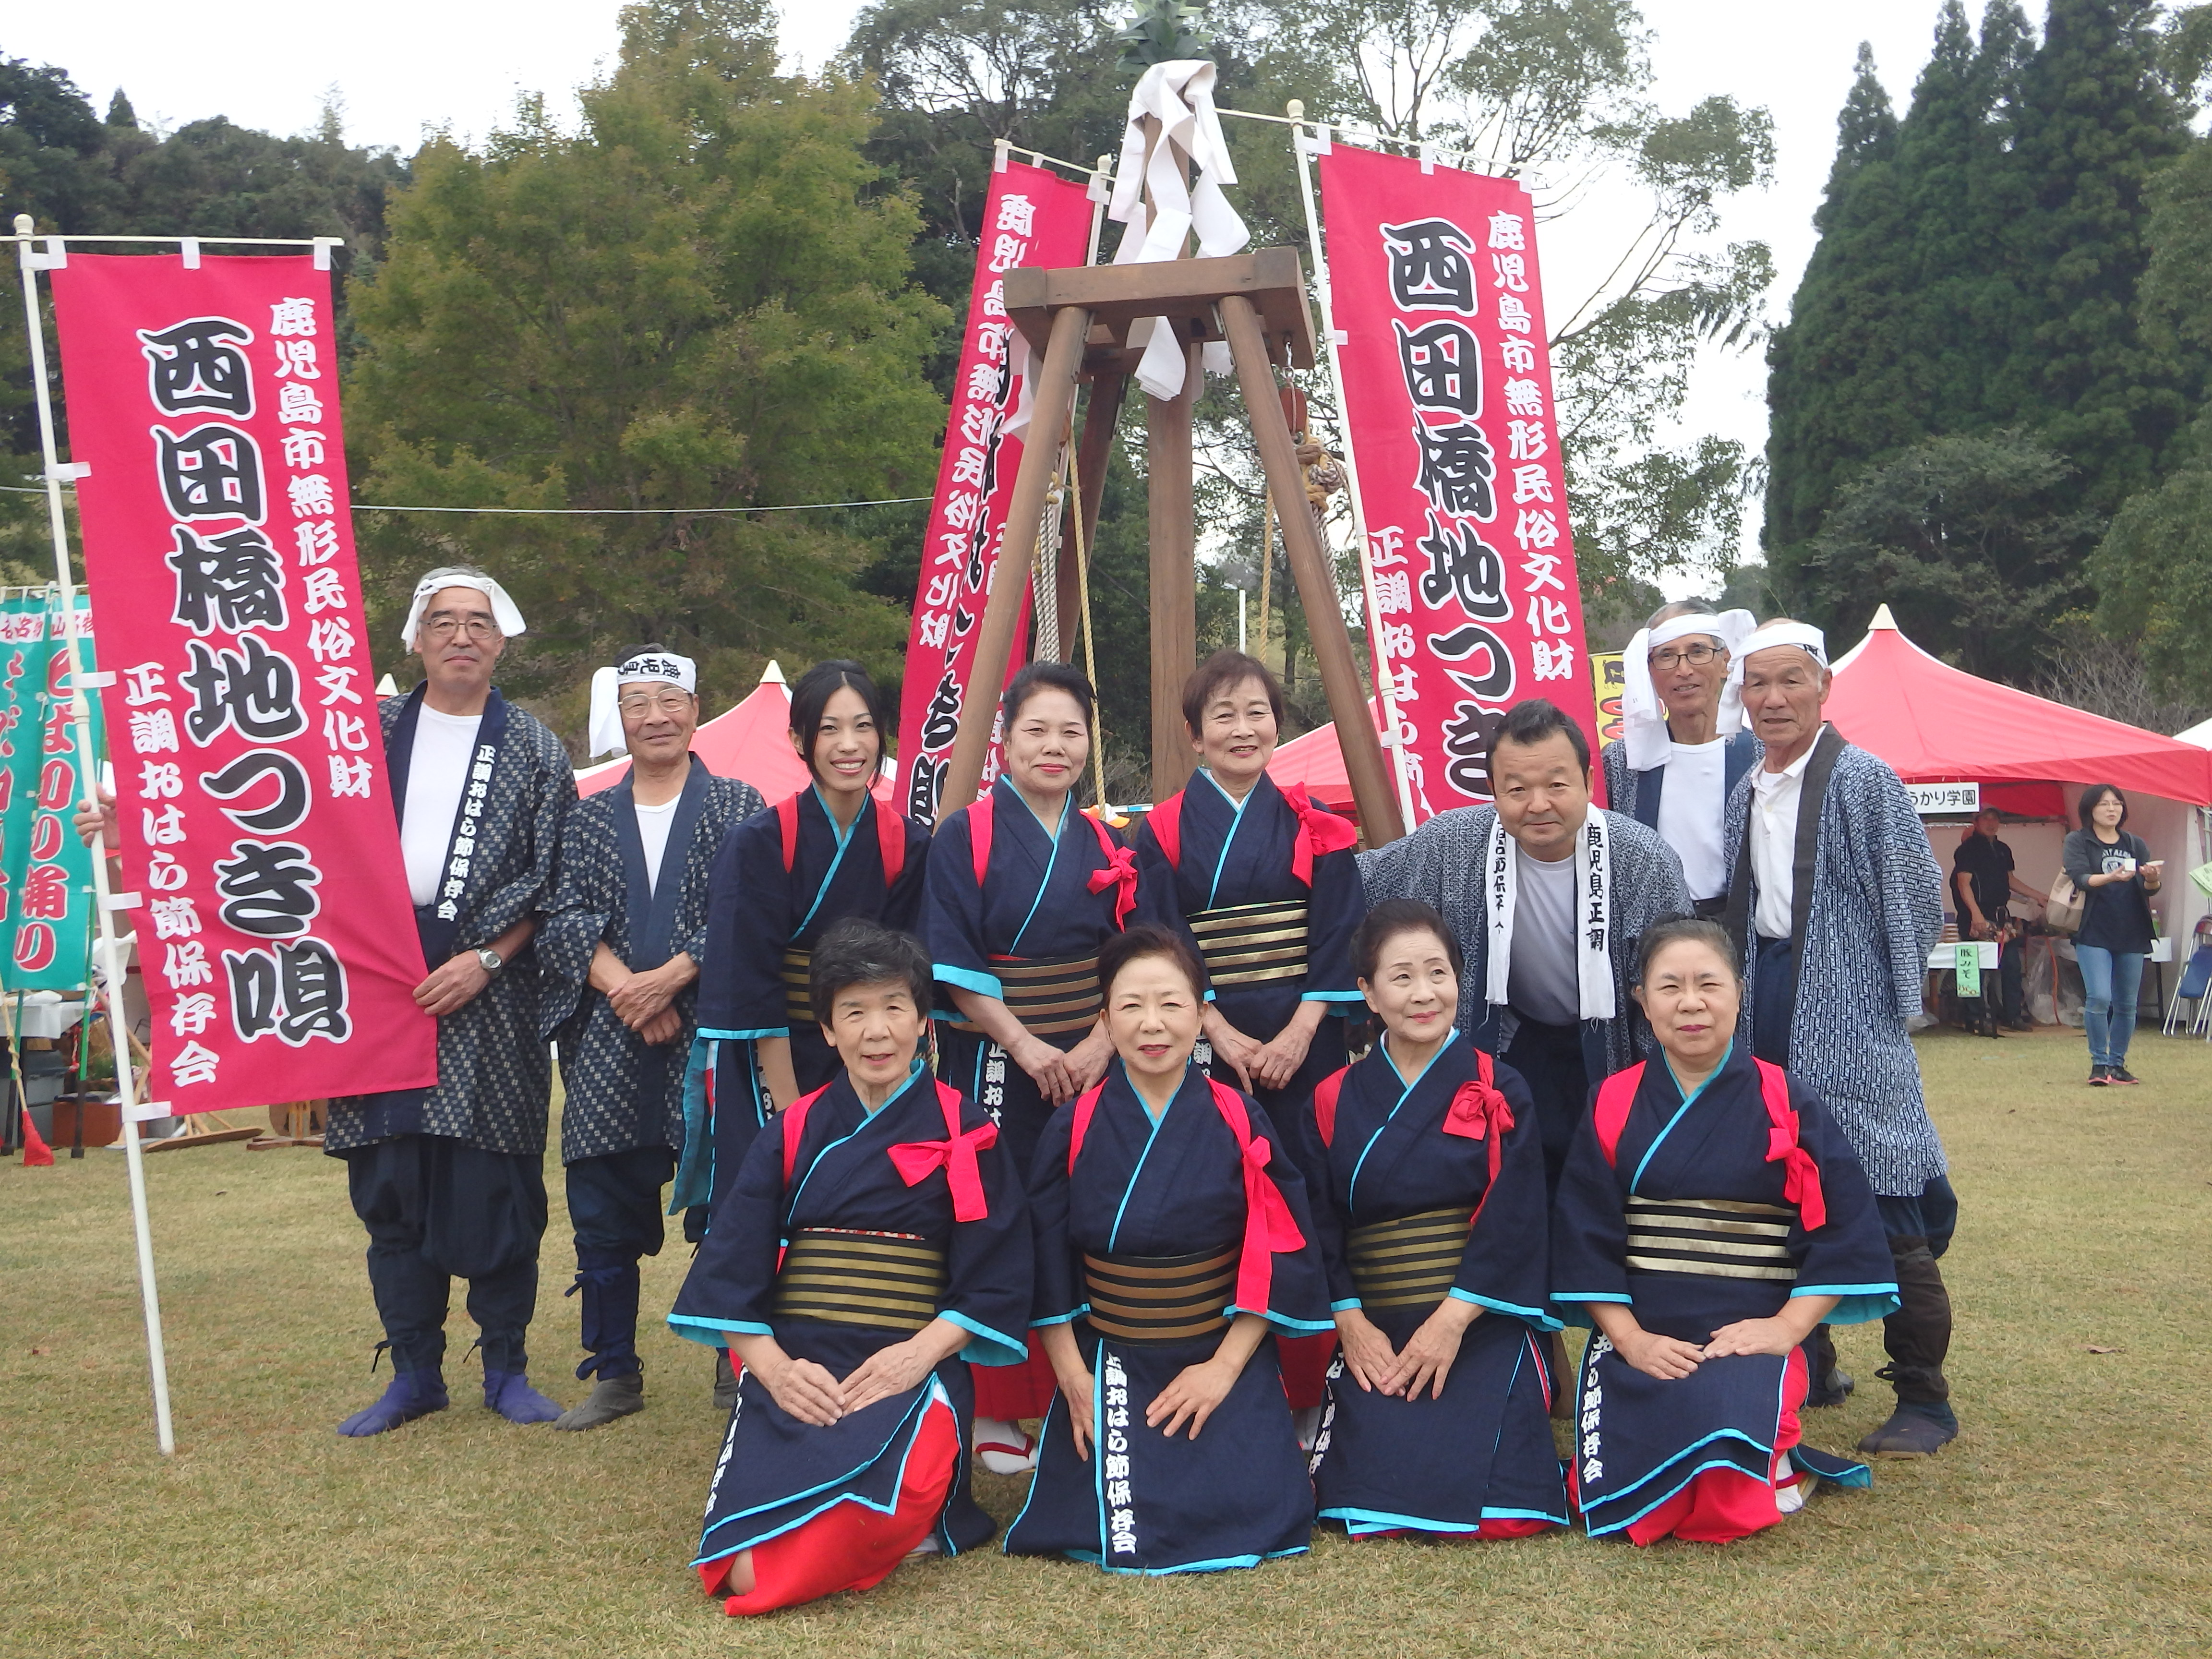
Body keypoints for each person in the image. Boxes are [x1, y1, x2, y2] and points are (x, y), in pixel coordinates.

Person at [666, 920, 1031, 1616]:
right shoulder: (795, 1130)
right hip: (802, 1369)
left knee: (896, 1503)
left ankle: (885, 1526)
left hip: (911, 1369)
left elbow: (994, 1277)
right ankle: (795, 1551)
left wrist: (916, 1357)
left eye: (894, 1007)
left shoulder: (967, 1129)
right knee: (735, 1562)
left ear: (924, 1021)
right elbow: (729, 1275)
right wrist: (776, 1371)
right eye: (854, 1012)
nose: (877, 1031)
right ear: (828, 1030)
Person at [1550, 917, 1899, 1544]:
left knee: (1723, 1491)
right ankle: (1766, 1462)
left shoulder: (1786, 1098)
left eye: (1709, 984)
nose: (1691, 1003)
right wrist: (1629, 1340)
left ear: (1739, 991)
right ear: (1642, 1001)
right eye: (1670, 987)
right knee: (1628, 1493)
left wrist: (1785, 1329)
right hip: (1644, 1333)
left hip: (1748, 1336)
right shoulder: (1610, 1101)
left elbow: (1845, 1233)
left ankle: (1767, 1456)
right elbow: (1584, 1237)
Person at [1004, 924, 1333, 1575]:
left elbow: (1277, 1248)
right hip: (1112, 1357)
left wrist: (1225, 1369)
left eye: (1172, 1004)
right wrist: (1075, 1382)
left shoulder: (1240, 1116)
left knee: (1260, 1509)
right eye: (1131, 1006)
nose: (1152, 1025)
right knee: (1096, 1518)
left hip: (1220, 1354)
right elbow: (1044, 1262)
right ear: (1104, 1020)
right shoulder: (1074, 1125)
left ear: (1201, 1013)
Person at [330, 568, 576, 1432]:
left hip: (489, 999)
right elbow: (281, 825)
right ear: (416, 639)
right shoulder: (363, 733)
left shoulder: (538, 750)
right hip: (381, 993)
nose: (461, 636)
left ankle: (505, 1366)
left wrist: (486, 958)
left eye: (478, 623)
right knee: (389, 1182)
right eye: (444, 622)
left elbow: (555, 883)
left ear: (502, 641)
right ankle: (413, 1372)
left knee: (496, 1185)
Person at [1719, 619, 1953, 1456]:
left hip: (1846, 1003)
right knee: (1779, 1195)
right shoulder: (1745, 787)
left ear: (1823, 687)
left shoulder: (1864, 778)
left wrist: (1886, 996)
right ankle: (1810, 1365)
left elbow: (1913, 894)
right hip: (1763, 1001)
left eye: (1790, 681)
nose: (1773, 698)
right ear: (1739, 697)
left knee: (1883, 1201)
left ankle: (1923, 1397)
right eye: (1757, 684)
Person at [679, 659, 929, 1406]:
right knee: (762, 1190)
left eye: (863, 727)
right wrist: (787, 1097)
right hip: (774, 1045)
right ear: (800, 740)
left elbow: (909, 962)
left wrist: (887, 1054)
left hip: (871, 1045)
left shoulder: (903, 841)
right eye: (830, 729)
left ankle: (851, 1334)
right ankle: (744, 1350)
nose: (849, 745)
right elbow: (745, 974)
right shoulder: (763, 840)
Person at [1133, 649, 1363, 1424]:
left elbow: (1337, 940)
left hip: (1306, 1041)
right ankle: (1220, 1368)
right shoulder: (1158, 830)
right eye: (1222, 715)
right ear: (1193, 735)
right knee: (1217, 1195)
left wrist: (1301, 1030)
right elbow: (1159, 946)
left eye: (1256, 712)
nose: (1242, 728)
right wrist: (1219, 1033)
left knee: (1307, 1195)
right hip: (1202, 1041)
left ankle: (1309, 1377)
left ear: (1275, 724)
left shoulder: (1318, 827)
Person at [536, 648, 764, 1429]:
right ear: (620, 718)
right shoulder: (586, 813)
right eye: (638, 703)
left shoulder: (739, 804)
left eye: (670, 700)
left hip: (712, 1033)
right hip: (610, 1035)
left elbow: (750, 906)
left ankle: (736, 1364)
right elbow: (561, 916)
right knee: (600, 1202)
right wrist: (627, 990)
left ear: (697, 709)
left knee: (731, 1197)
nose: (655, 716)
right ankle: (613, 1369)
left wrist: (669, 978)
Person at [1293, 899, 1568, 1540]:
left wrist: (1451, 1322)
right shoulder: (1331, 1100)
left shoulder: (1501, 1086)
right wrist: (1352, 1324)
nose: (1425, 994)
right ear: (1367, 992)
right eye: (1403, 977)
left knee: (1507, 1508)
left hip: (1478, 1320)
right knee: (1357, 1499)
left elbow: (1517, 1217)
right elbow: (1318, 1224)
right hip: (1378, 1329)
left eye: (1439, 974)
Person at [924, 661, 1137, 1467]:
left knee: (1089, 1213)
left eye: (1071, 731)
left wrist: (1093, 1045)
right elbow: (949, 953)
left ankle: (1087, 1383)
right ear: (1004, 742)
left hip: (1091, 1054)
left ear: (1090, 743)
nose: (1054, 747)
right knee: (995, 1218)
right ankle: (996, 1407)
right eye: (1036, 730)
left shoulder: (1108, 843)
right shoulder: (966, 835)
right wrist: (1023, 1044)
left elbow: (1133, 960)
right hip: (993, 1053)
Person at [1357, 697, 1692, 1191]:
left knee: (1601, 1190)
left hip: (1610, 1045)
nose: (1538, 805)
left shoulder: (1643, 860)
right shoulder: (1454, 841)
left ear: (1589, 783)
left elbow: (1674, 984)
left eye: (1557, 785)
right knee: (1511, 1185)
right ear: (1493, 791)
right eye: (1517, 789)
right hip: (1511, 1040)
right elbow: (1354, 886)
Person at [1600, 601, 1760, 915]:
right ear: (1648, 670)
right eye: (1667, 656)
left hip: (1744, 930)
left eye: (1698, 651)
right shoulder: (1622, 762)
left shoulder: (1762, 753)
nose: (1683, 669)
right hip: (1656, 930)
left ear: (1725, 660)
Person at [2063, 784, 2162, 1087]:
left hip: (2132, 929)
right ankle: (2099, 1064)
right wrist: (2112, 876)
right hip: (2093, 929)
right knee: (2099, 997)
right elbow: (2081, 878)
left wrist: (2154, 880)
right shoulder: (2079, 841)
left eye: (2117, 804)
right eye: (2105, 804)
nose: (2111, 809)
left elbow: (2149, 891)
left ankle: (2117, 1065)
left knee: (2126, 1003)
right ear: (2090, 809)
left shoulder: (2135, 843)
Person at [1950, 807, 2044, 1033]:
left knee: (2011, 965)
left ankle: (2012, 1016)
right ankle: (1974, 1017)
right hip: (1975, 916)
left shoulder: (2003, 850)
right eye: (1986, 819)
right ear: (1976, 822)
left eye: (1995, 819)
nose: (1991, 823)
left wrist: (2038, 895)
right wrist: (1976, 915)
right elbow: (1964, 884)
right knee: (1972, 968)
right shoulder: (1967, 850)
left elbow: (2010, 880)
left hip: (2002, 916)